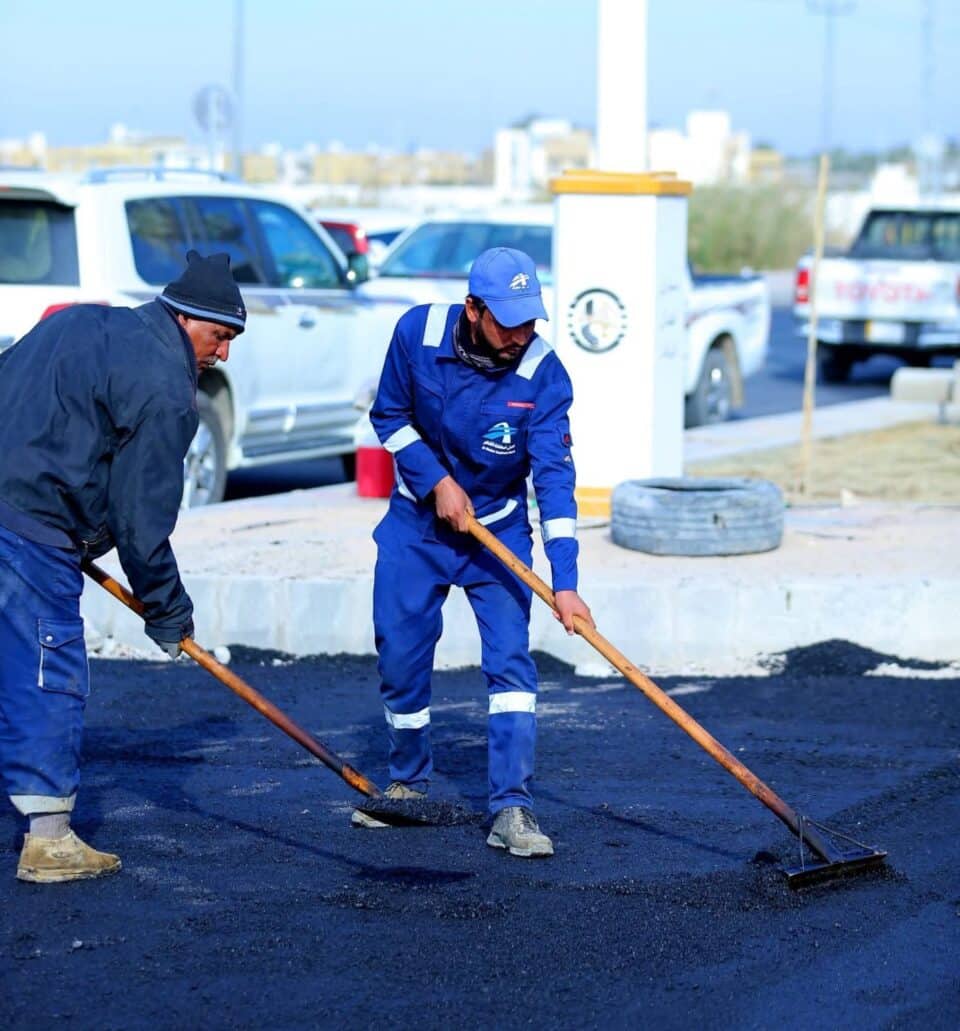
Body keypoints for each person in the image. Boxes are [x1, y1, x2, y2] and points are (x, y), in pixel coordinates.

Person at [0, 250, 245, 883]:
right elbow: (142, 522)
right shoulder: (168, 390)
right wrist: (167, 610)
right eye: (220, 335)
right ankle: (49, 842)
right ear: (186, 318)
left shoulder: (76, 322)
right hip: (31, 536)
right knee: (47, 675)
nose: (223, 353)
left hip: (27, 516)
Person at [354, 247, 594, 857]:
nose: (520, 335)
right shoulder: (416, 333)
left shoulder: (543, 372)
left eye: (530, 320)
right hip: (418, 525)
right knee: (400, 655)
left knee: (512, 669)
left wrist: (564, 581)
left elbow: (555, 481)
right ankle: (408, 786)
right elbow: (390, 416)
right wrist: (436, 480)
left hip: (499, 533)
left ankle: (512, 808)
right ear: (473, 309)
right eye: (507, 321)